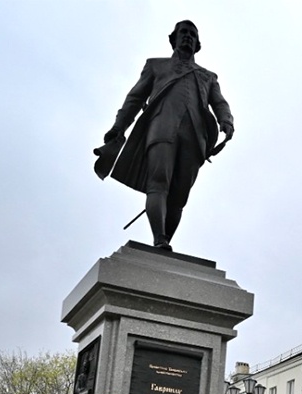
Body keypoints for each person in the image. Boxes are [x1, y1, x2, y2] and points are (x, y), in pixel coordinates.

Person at [97, 20, 234, 251]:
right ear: (174, 38)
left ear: (198, 43)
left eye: (192, 34)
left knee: (179, 196)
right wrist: (118, 126)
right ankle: (159, 238)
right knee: (158, 182)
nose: (188, 36)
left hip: (195, 137)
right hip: (161, 128)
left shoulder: (208, 76)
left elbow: (219, 102)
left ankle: (165, 243)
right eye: (184, 33)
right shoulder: (155, 66)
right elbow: (134, 98)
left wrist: (226, 120)